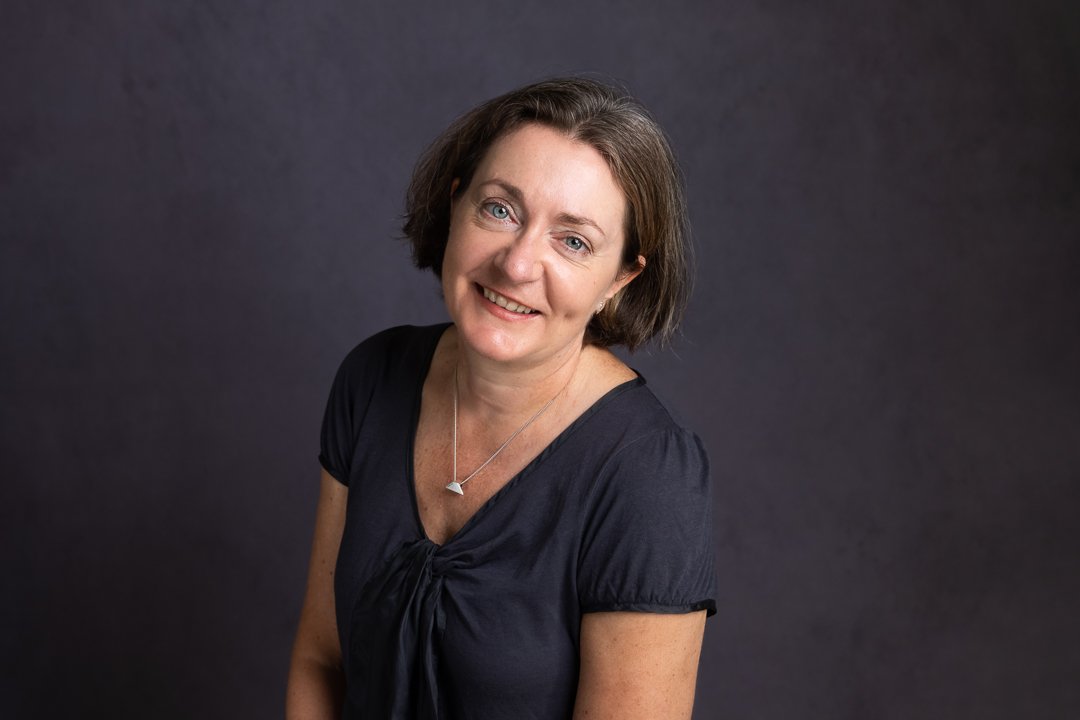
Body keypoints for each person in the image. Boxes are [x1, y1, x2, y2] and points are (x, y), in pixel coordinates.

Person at [286, 77, 716, 719]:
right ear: (456, 205)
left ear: (620, 280)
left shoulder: (645, 476)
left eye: (573, 241)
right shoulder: (372, 379)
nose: (517, 264)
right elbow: (322, 661)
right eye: (500, 209)